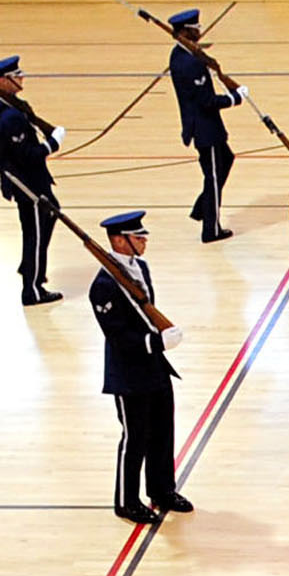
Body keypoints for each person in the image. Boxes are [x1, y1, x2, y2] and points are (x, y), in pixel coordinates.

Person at [89, 211, 193, 525]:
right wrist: (156, 342)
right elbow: (118, 336)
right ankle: (126, 500)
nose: (144, 241)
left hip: (154, 367)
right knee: (135, 438)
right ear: (119, 241)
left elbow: (146, 313)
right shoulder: (104, 285)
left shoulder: (140, 268)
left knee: (163, 430)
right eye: (138, 237)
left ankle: (162, 490)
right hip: (128, 372)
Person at [0, 56, 64, 305]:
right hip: (27, 181)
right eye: (15, 77)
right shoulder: (9, 117)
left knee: (49, 216)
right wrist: (53, 143)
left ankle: (31, 268)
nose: (21, 79)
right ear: (1, 81)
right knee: (35, 233)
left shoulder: (0, 105)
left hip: (26, 178)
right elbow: (28, 155)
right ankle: (32, 289)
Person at [165, 8, 246, 244]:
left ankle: (202, 208)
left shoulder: (184, 55)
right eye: (195, 29)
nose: (199, 32)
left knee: (226, 160)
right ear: (184, 32)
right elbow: (207, 101)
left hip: (209, 125)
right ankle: (211, 229)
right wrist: (235, 98)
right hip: (203, 127)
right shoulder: (188, 63)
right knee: (212, 176)